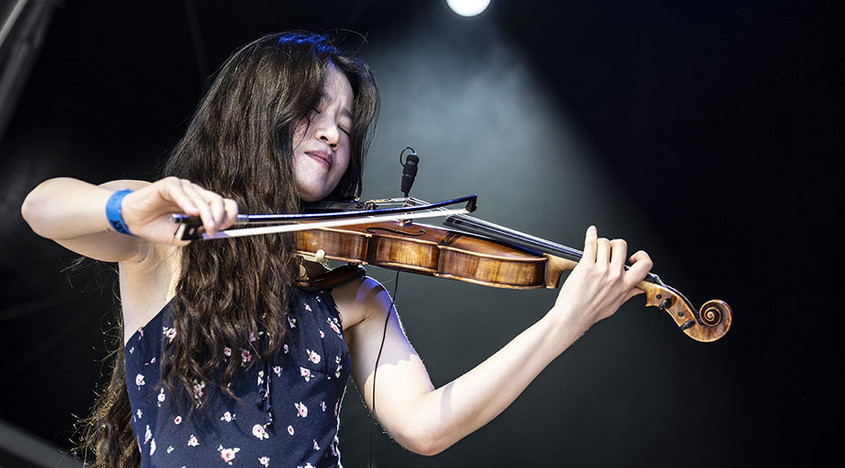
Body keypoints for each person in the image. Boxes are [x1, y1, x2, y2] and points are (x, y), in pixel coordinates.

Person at [21, 32, 653, 467]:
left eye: (346, 126)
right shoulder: (168, 236)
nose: (331, 132)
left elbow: (426, 426)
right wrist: (128, 208)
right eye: (313, 112)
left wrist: (564, 322)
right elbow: (43, 206)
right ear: (255, 114)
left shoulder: (352, 294)